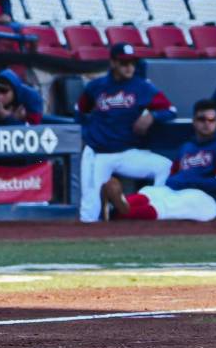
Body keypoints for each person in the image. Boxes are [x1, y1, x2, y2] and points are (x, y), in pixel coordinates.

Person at [75, 42, 177, 223]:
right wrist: (89, 132)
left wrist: (152, 116)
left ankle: (152, 207)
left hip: (127, 152)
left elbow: (170, 110)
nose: (129, 67)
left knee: (166, 167)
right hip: (98, 154)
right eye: (124, 63)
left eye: (132, 62)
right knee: (90, 213)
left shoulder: (142, 87)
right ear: (113, 63)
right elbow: (80, 110)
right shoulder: (97, 86)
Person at [102, 100, 216, 222]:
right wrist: (175, 181)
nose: (207, 123)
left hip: (207, 199)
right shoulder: (187, 147)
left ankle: (117, 213)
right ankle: (118, 203)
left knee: (171, 204)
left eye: (212, 120)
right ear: (194, 121)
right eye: (202, 119)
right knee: (152, 192)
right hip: (180, 190)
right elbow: (173, 175)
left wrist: (188, 181)